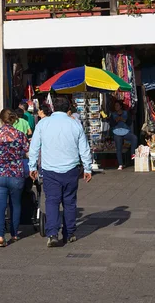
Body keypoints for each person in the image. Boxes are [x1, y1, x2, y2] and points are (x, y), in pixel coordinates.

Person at [29, 96, 92, 248]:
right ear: (68, 108)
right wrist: (88, 167)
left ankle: (52, 234)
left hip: (50, 169)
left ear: (53, 108)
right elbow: (84, 148)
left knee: (52, 201)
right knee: (69, 202)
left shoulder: (43, 123)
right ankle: (69, 233)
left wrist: (32, 167)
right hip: (71, 169)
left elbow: (34, 146)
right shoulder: (75, 124)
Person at [0, 108, 30, 247]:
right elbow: (28, 153)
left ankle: (0, 235)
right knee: (15, 204)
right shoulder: (20, 135)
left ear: (1, 119)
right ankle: (15, 233)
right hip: (16, 174)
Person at [110, 100, 137, 170]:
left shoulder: (126, 113)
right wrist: (116, 121)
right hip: (117, 132)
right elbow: (111, 124)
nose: (116, 107)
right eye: (115, 106)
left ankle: (132, 153)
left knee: (134, 138)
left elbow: (130, 122)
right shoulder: (113, 114)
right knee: (118, 148)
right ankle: (120, 164)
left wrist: (123, 120)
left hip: (125, 131)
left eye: (117, 105)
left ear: (121, 106)